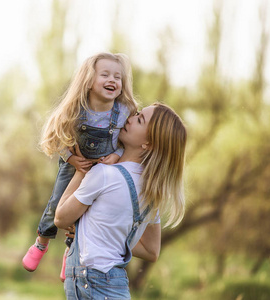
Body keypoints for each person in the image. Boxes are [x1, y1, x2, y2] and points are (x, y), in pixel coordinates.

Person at [54, 102, 187, 299]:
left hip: (90, 282)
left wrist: (82, 170)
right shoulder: (152, 192)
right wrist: (99, 230)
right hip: (116, 285)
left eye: (140, 120)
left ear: (148, 144)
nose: (131, 118)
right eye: (137, 114)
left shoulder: (104, 174)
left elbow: (61, 218)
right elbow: (152, 251)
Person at [22, 52, 138, 272]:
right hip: (75, 164)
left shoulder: (124, 112)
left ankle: (71, 250)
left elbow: (130, 139)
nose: (112, 80)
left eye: (117, 77)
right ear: (89, 81)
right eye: (105, 75)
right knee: (57, 203)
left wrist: (117, 155)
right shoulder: (76, 109)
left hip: (103, 169)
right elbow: (54, 138)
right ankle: (41, 242)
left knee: (84, 213)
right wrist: (72, 159)